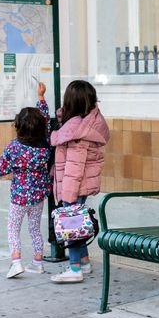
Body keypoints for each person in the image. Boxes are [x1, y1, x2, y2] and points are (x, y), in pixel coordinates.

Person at [0, 82, 51, 278]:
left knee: (13, 228)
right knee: (35, 229)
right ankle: (38, 263)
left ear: (18, 127)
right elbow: (45, 120)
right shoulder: (45, 143)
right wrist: (41, 99)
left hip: (19, 198)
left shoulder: (15, 148)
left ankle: (16, 262)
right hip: (38, 196)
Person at [50, 80, 109, 284]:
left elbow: (75, 167)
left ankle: (74, 268)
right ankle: (83, 261)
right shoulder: (89, 121)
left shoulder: (76, 133)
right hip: (81, 182)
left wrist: (68, 195)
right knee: (78, 219)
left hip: (73, 184)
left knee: (71, 222)